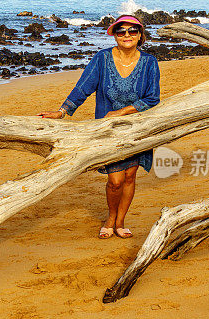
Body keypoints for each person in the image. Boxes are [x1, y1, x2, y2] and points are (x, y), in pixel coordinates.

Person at [38, 14, 160, 239]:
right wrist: (62, 111)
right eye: (121, 31)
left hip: (137, 129)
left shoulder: (150, 62)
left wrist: (122, 112)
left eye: (132, 31)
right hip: (107, 131)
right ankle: (110, 218)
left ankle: (121, 221)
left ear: (140, 35)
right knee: (115, 181)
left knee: (130, 177)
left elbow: (153, 98)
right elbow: (83, 87)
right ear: (114, 35)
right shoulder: (101, 59)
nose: (127, 35)